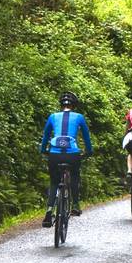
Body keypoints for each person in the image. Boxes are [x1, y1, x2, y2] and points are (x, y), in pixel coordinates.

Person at [40, 91, 93, 227]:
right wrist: (89, 151)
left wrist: (43, 150)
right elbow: (86, 137)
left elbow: (46, 136)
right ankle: (75, 204)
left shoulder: (53, 116)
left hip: (54, 154)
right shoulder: (79, 117)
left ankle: (49, 211)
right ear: (74, 105)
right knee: (74, 176)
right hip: (72, 154)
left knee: (54, 182)